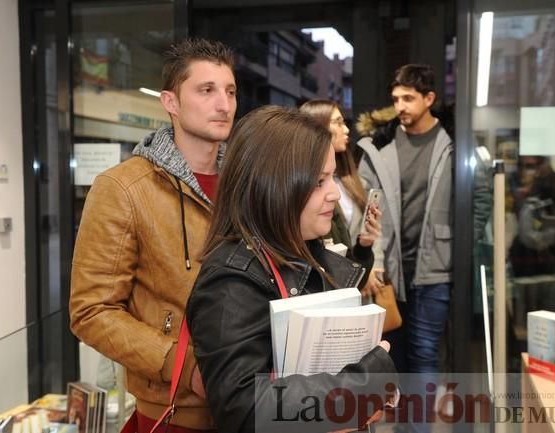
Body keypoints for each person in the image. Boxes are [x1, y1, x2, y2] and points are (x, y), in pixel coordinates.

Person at [187, 106, 398, 433]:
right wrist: (363, 383)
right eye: (318, 181)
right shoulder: (232, 280)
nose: (333, 193)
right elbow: (244, 408)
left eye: (331, 177)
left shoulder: (304, 250)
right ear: (273, 186)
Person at [69, 37, 237, 433]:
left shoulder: (247, 183)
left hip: (250, 397)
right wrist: (181, 364)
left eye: (230, 91)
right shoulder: (124, 188)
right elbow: (91, 310)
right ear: (171, 103)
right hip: (174, 409)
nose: (224, 104)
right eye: (207, 90)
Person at [357, 64, 453, 380]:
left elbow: (476, 201)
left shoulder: (452, 143)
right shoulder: (380, 145)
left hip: (435, 267)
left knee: (425, 354)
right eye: (396, 98)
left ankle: (419, 429)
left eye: (408, 98)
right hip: (390, 270)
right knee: (393, 356)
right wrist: (376, 261)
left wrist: (456, 240)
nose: (400, 106)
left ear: (429, 99)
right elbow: (368, 210)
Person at [299, 99, 383, 295]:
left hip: (353, 279)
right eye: (337, 122)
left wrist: (366, 248)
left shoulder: (352, 179)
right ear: (317, 126)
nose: (346, 130)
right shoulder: (300, 187)